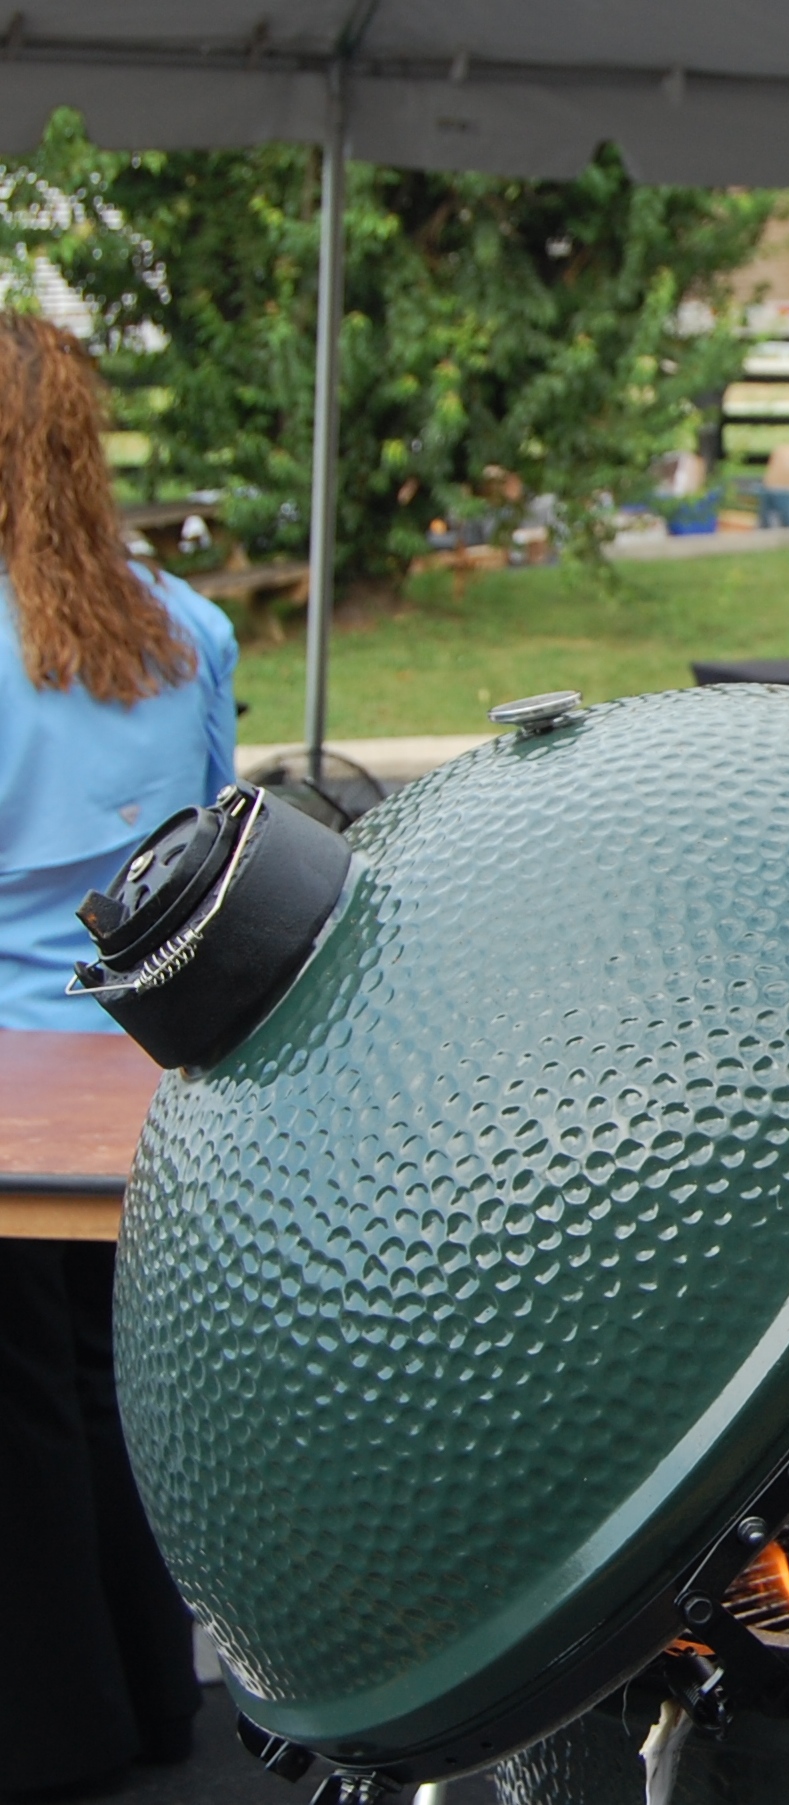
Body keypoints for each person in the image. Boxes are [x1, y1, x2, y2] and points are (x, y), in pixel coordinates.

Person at [0, 315, 231, 1793]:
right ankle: (160, 1702)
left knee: (18, 1415)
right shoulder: (185, 626)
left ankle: (53, 1730)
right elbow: (215, 850)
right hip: (147, 1068)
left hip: (9, 1085)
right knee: (117, 1391)